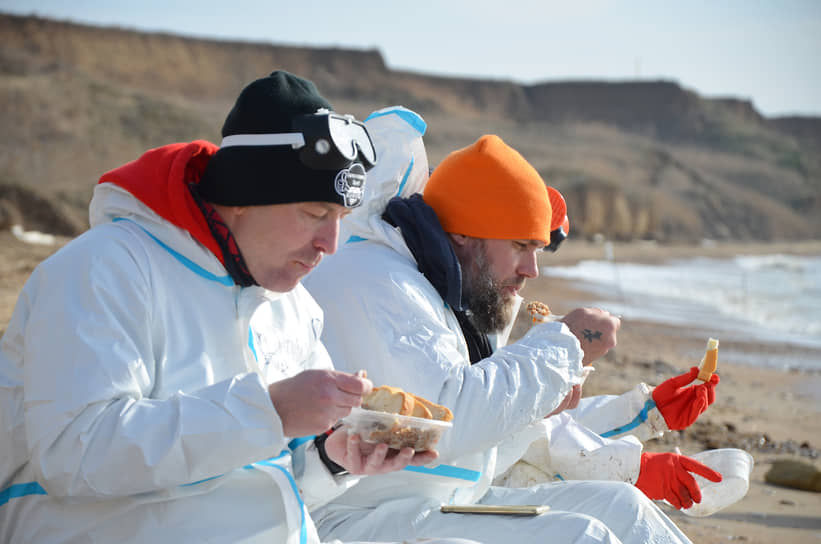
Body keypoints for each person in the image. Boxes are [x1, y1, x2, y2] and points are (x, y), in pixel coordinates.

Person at [0, 72, 480, 544]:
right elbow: (74, 455)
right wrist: (268, 411)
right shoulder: (106, 269)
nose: (330, 243)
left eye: (339, 218)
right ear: (245, 196)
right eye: (314, 214)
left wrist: (336, 457)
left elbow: (270, 483)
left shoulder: (292, 306)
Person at [303, 106, 721, 544]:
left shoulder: (436, 286)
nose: (532, 269)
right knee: (583, 538)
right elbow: (449, 419)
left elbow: (478, 446)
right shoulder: (379, 279)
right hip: (361, 518)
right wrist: (564, 345)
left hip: (436, 501)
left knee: (623, 508)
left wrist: (548, 406)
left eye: (538, 247)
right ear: (463, 232)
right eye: (521, 245)